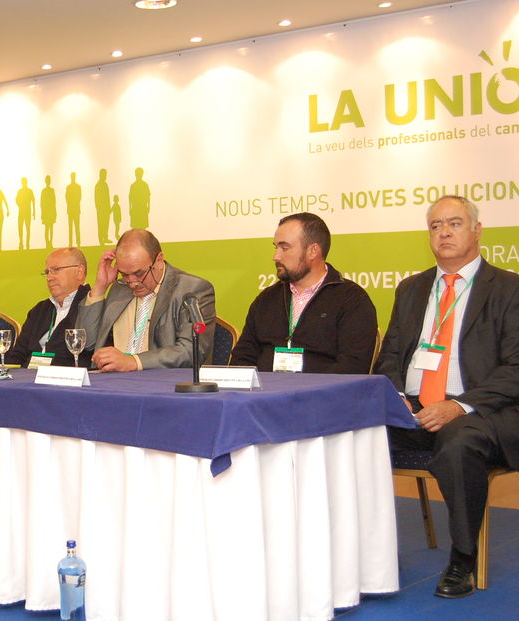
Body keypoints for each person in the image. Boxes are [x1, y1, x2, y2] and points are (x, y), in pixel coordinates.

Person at [377, 195, 519, 599]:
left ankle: (462, 558)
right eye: (436, 226)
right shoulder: (411, 289)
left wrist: (457, 406)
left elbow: (515, 368)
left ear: (477, 230)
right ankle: (363, 549)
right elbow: (389, 356)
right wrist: (398, 396)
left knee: (458, 443)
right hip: (415, 408)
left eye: (455, 223)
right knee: (355, 433)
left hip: (483, 411)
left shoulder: (509, 289)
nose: (444, 232)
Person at [230, 213, 377, 373]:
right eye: (276, 247)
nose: (276, 256)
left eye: (284, 248)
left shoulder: (352, 300)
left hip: (321, 396)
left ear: (313, 251)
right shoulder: (267, 299)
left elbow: (352, 368)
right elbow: (242, 358)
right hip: (264, 395)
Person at [77, 229, 215, 372]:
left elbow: (190, 351)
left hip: (160, 381)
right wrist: (100, 287)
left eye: (139, 273)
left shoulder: (191, 290)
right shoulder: (119, 288)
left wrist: (134, 361)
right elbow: (86, 344)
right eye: (124, 274)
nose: (132, 282)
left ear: (159, 260)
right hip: (113, 380)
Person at [6, 247, 91, 368]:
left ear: (79, 272)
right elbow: (17, 355)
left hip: (65, 381)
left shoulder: (92, 307)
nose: (49, 278)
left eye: (56, 270)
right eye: (47, 272)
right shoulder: (40, 309)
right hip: (28, 378)